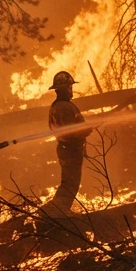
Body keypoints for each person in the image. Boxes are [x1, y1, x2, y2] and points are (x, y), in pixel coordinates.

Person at [47, 70, 90, 211]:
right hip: (70, 150)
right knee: (70, 184)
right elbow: (71, 131)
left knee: (68, 183)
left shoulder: (57, 106)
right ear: (65, 89)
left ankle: (57, 211)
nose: (72, 91)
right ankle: (58, 212)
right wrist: (86, 130)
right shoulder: (64, 107)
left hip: (66, 149)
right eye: (70, 87)